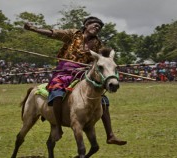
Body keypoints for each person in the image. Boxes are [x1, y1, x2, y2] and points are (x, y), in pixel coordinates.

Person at [24, 16, 127, 145]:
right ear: (86, 25)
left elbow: (102, 61)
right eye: (94, 25)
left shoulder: (97, 44)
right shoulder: (73, 34)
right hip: (64, 71)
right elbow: (53, 33)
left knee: (103, 99)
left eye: (99, 27)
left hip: (82, 73)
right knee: (57, 92)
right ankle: (58, 128)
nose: (97, 28)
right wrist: (34, 29)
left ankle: (110, 135)